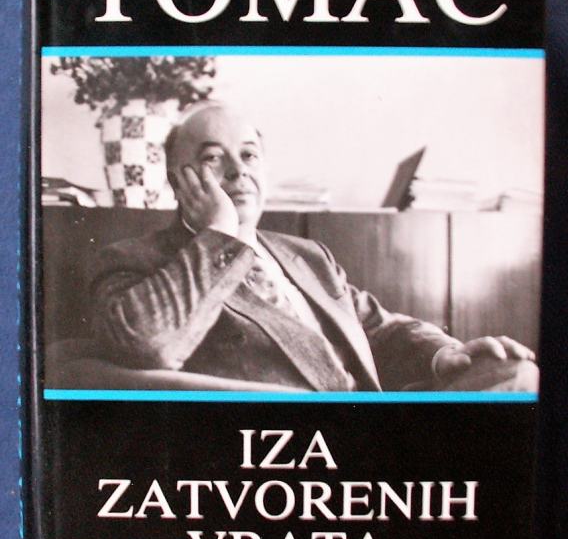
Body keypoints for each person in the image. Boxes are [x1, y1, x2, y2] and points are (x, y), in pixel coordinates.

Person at [89, 101, 537, 392]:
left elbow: (378, 327)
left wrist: (443, 354)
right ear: (178, 180)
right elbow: (146, 346)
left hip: (375, 421)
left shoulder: (306, 255)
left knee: (516, 376)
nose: (238, 171)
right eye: (213, 158)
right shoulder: (134, 259)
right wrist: (221, 234)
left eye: (249, 155)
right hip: (281, 450)